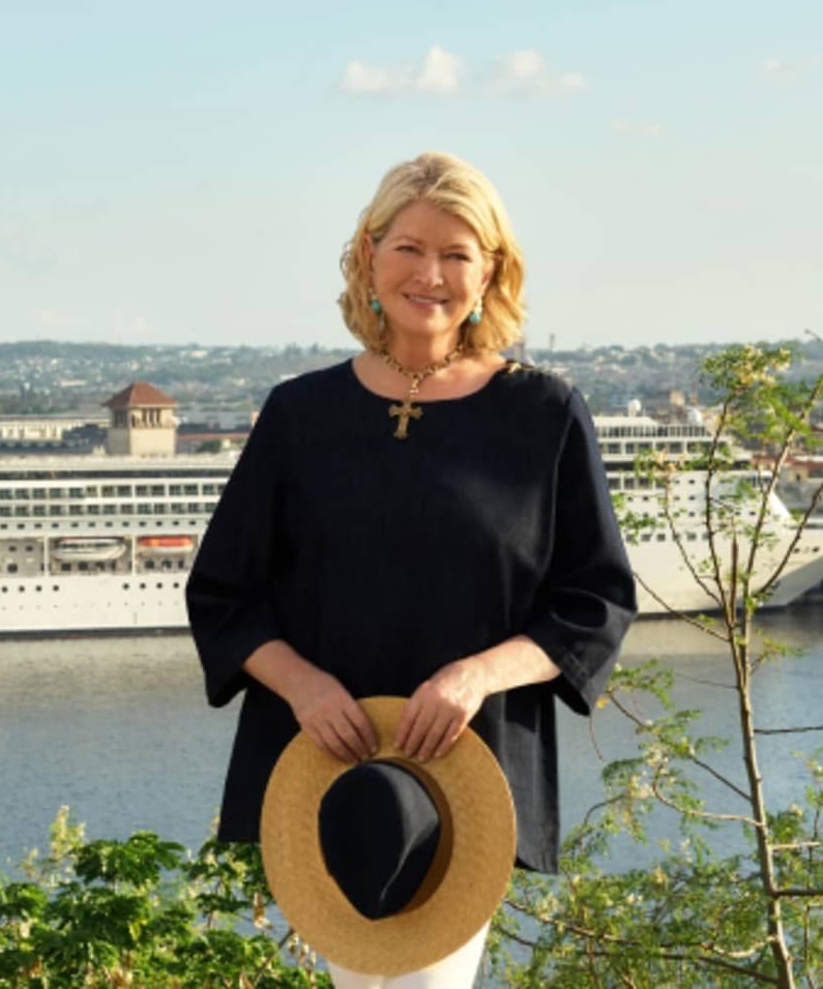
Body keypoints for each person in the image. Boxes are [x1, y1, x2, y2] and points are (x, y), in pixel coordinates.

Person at [185, 151, 636, 988]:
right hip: (326, 771)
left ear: (491, 271)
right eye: (408, 247)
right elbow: (224, 594)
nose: (430, 274)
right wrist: (305, 689)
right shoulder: (300, 414)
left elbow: (595, 602)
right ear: (367, 253)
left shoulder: (543, 414)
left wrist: (474, 676)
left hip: (468, 772)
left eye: (458, 254)